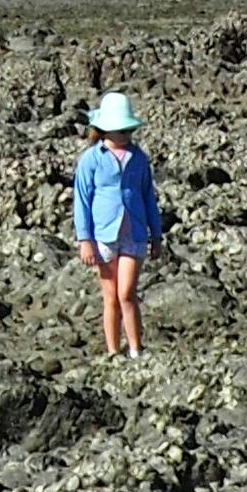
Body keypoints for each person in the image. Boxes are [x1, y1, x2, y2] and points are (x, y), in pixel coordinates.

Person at [71, 93, 162, 357]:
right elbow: (82, 200)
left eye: (127, 129)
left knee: (127, 293)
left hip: (134, 234)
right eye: (120, 128)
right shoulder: (91, 158)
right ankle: (113, 351)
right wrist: (85, 239)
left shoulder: (139, 158)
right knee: (111, 297)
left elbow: (148, 198)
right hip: (104, 236)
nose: (125, 134)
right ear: (104, 128)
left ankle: (136, 348)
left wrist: (156, 236)